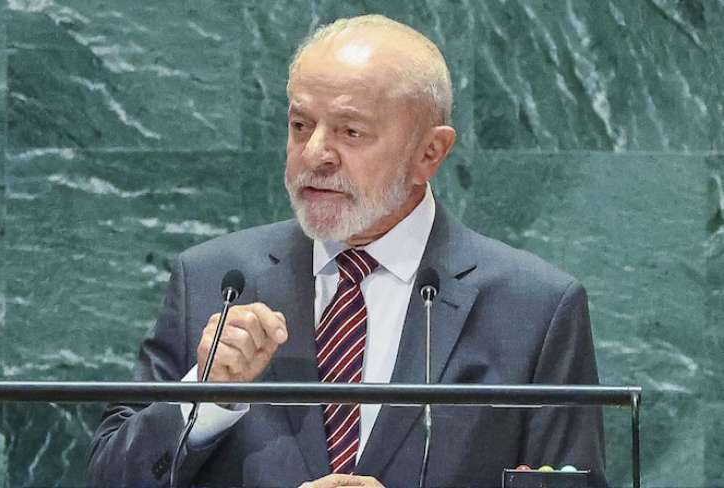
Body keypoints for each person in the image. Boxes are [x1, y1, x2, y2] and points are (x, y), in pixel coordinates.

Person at [89, 14, 606, 488]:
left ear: (430, 152)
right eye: (300, 126)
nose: (315, 154)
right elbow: (111, 478)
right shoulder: (213, 281)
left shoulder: (535, 309)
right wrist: (207, 395)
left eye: (350, 131)